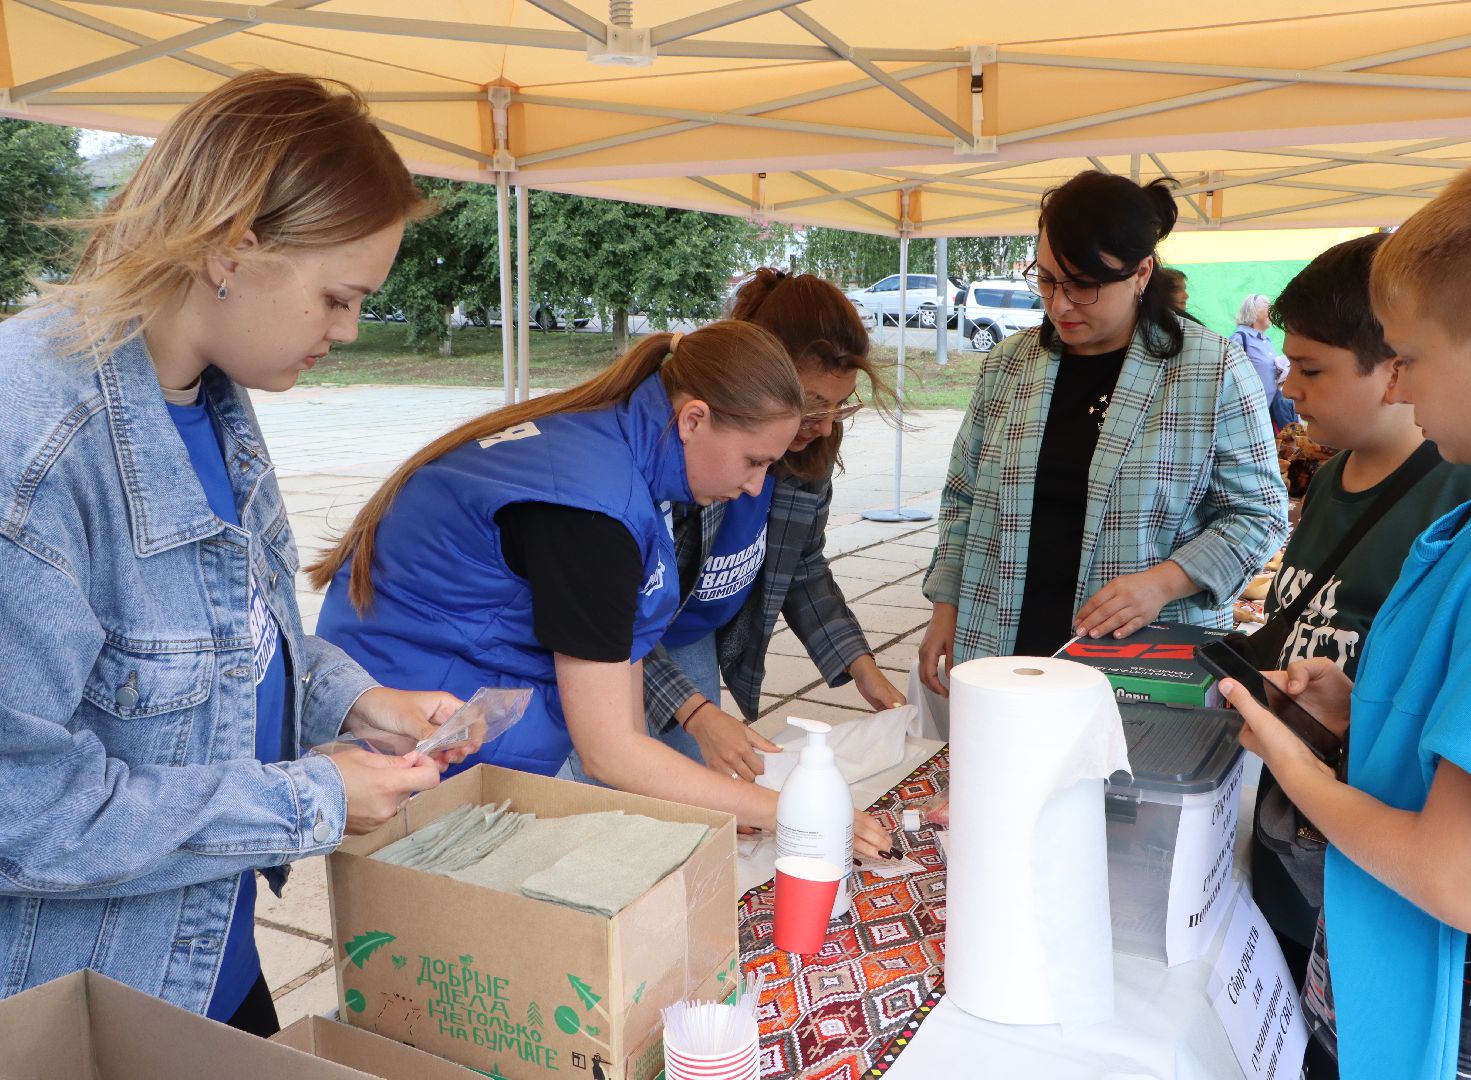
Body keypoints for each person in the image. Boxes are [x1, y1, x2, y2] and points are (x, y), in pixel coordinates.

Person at [0, 72, 468, 1033]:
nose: (344, 331)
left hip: (206, 953)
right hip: (78, 1003)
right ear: (232, 244)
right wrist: (311, 799)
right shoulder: (36, 445)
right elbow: (23, 811)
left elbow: (227, 635)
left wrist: (350, 699)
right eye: (337, 298)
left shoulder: (208, 392)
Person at [1221, 148, 1471, 1080]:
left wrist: (1292, 762)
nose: (1397, 388)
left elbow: (1458, 879)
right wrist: (1366, 714)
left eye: (1407, 358)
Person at [311, 322, 893, 858]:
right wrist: (794, 814)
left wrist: (705, 798)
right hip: (415, 725)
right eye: (753, 461)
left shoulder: (617, 447)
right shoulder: (594, 512)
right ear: (693, 419)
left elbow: (619, 687)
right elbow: (609, 750)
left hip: (463, 683)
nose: (754, 486)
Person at [918, 171, 1287, 691]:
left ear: (1141, 273)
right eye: (1045, 279)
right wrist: (946, 604)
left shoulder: (1210, 369)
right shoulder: (1009, 365)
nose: (1060, 304)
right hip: (1003, 635)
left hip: (1142, 651)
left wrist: (1162, 584)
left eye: (1084, 285)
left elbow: (1258, 515)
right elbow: (963, 499)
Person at [1244, 233, 1471, 1004]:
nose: (1291, 386)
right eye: (1288, 363)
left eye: (1312, 369)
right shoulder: (1325, 483)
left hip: (1384, 865)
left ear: (1396, 369)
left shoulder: (1468, 498)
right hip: (1293, 847)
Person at [641, 269, 907, 782]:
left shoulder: (812, 446)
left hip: (689, 633)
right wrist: (695, 714)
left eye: (838, 405)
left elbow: (801, 561)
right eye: (810, 404)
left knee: (696, 784)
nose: (825, 426)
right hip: (628, 635)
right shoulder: (683, 453)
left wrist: (860, 666)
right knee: (624, 783)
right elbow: (615, 623)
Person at [1232, 294, 1298, 431]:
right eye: (1268, 307)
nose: (1272, 312)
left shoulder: (1266, 340)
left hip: (1269, 411)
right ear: (1253, 311)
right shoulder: (1240, 338)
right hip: (1248, 414)